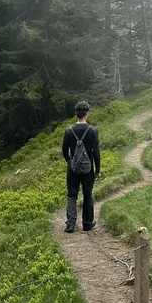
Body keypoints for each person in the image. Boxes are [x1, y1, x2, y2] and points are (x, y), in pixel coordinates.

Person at [62, 100, 100, 233]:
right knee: (87, 195)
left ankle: (70, 224)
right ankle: (87, 223)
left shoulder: (69, 131)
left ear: (76, 114)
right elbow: (96, 152)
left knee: (72, 196)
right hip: (87, 169)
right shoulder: (93, 131)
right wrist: (97, 170)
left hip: (72, 169)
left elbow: (64, 151)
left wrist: (70, 162)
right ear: (87, 113)